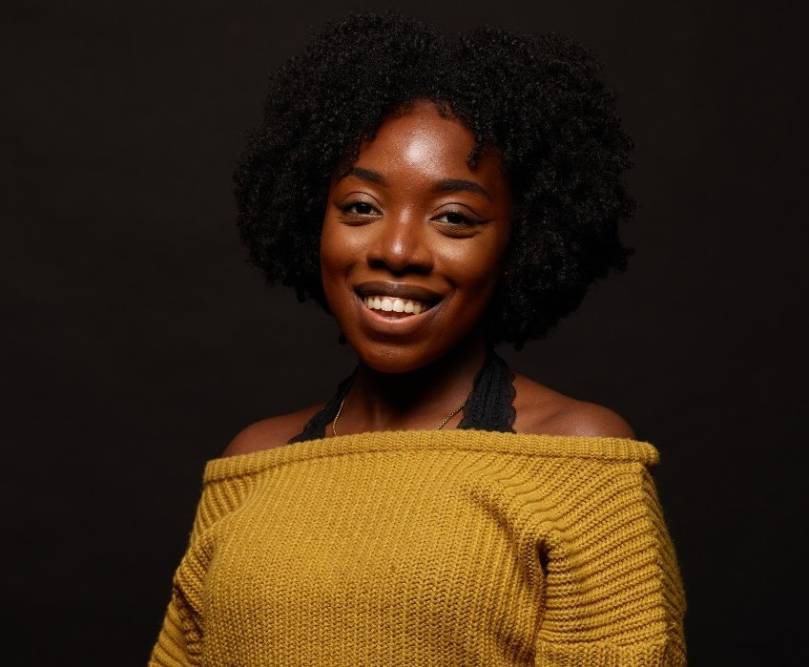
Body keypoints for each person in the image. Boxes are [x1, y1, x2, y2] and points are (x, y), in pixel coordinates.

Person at [150, 12, 687, 666]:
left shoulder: (575, 460)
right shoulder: (254, 462)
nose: (397, 249)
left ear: (519, 244)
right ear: (310, 221)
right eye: (360, 208)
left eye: (453, 218)